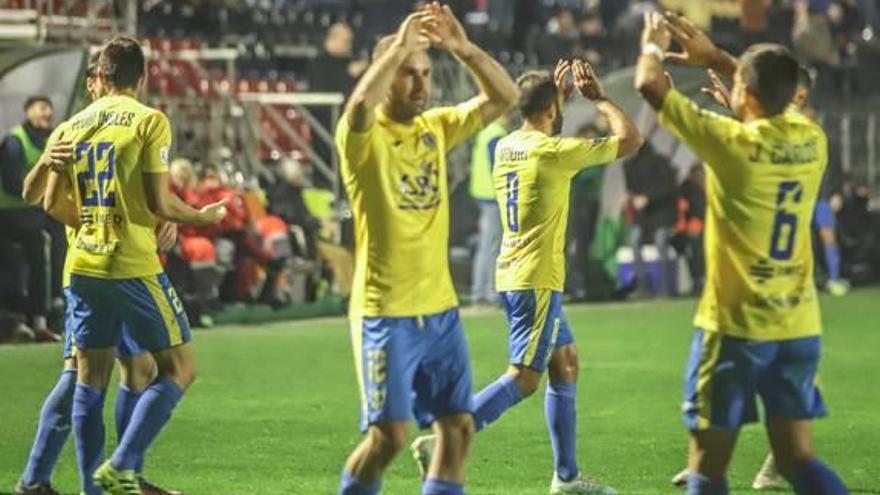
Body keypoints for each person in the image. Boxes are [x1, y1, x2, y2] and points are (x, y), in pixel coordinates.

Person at [636, 11, 848, 495]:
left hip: (735, 329)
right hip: (798, 326)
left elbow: (650, 84)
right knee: (798, 458)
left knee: (707, 467)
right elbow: (772, 94)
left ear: (745, 97)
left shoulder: (732, 143)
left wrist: (652, 42)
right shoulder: (812, 139)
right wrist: (718, 59)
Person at [413, 59, 642, 494]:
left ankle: (567, 478)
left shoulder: (509, 146)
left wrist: (558, 102)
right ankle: (446, 437)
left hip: (517, 272)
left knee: (566, 361)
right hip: (537, 277)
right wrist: (599, 98)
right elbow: (631, 140)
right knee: (525, 378)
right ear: (553, 110)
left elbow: (543, 139)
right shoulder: (554, 153)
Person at [334, 2, 518, 493]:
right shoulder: (363, 140)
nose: (420, 84)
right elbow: (357, 110)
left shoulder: (435, 128)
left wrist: (462, 48)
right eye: (406, 74)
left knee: (457, 428)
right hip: (385, 313)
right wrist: (397, 47)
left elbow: (504, 96)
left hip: (441, 311)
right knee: (389, 437)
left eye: (425, 73)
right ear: (386, 76)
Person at [45, 36, 227, 495]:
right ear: (142, 77)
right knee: (179, 368)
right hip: (130, 264)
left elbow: (52, 204)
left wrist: (93, 224)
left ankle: (93, 488)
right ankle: (123, 465)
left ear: (101, 76)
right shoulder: (150, 121)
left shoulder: (71, 126)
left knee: (90, 379)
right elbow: (158, 200)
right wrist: (200, 217)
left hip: (84, 264)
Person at [13, 53, 183, 495]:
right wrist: (48, 160)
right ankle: (41, 480)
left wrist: (164, 217)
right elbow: (33, 195)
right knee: (79, 377)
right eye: (92, 79)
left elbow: (136, 193)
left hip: (120, 266)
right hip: (92, 268)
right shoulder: (73, 131)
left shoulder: (123, 129)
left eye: (99, 78)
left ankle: (125, 476)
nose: (96, 86)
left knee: (137, 370)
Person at [0, 95, 66, 341]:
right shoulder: (15, 140)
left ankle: (55, 304)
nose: (46, 113)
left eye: (49, 109)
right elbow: (10, 182)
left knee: (60, 233)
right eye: (41, 108)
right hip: (10, 213)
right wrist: (41, 197)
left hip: (37, 211)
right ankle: (38, 318)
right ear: (28, 111)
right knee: (42, 244)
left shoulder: (53, 141)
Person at [469, 110, 512, 306]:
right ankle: (490, 291)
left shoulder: (484, 133)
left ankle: (480, 290)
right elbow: (499, 167)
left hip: (481, 194)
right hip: (493, 196)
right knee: (492, 245)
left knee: (486, 244)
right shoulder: (496, 136)